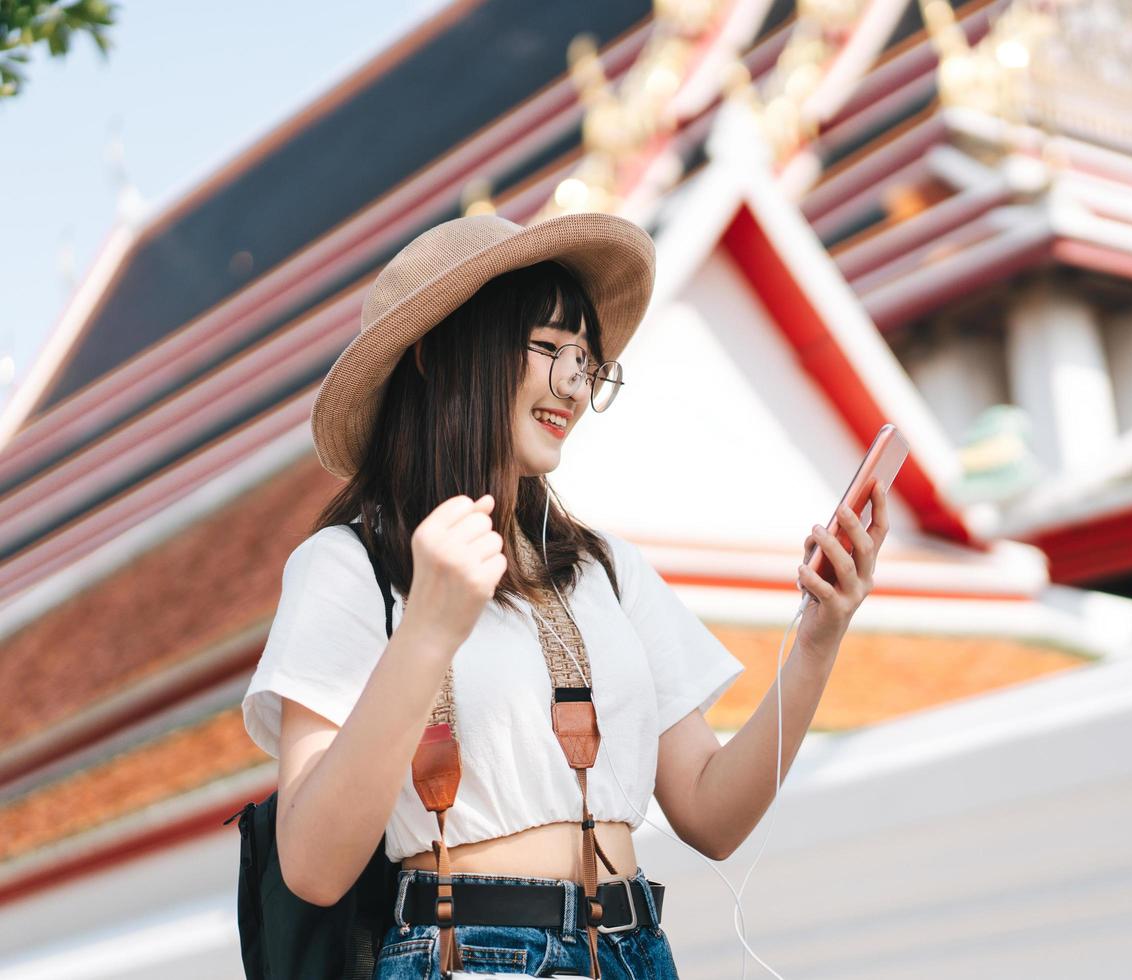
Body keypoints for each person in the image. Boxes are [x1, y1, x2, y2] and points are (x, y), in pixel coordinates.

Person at [240, 212, 889, 978]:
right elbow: (313, 866)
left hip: (635, 952)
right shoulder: (348, 566)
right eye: (550, 348)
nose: (574, 384)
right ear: (437, 353)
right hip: (467, 952)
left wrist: (817, 638)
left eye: (587, 359)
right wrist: (425, 634)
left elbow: (711, 813)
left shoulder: (606, 570)